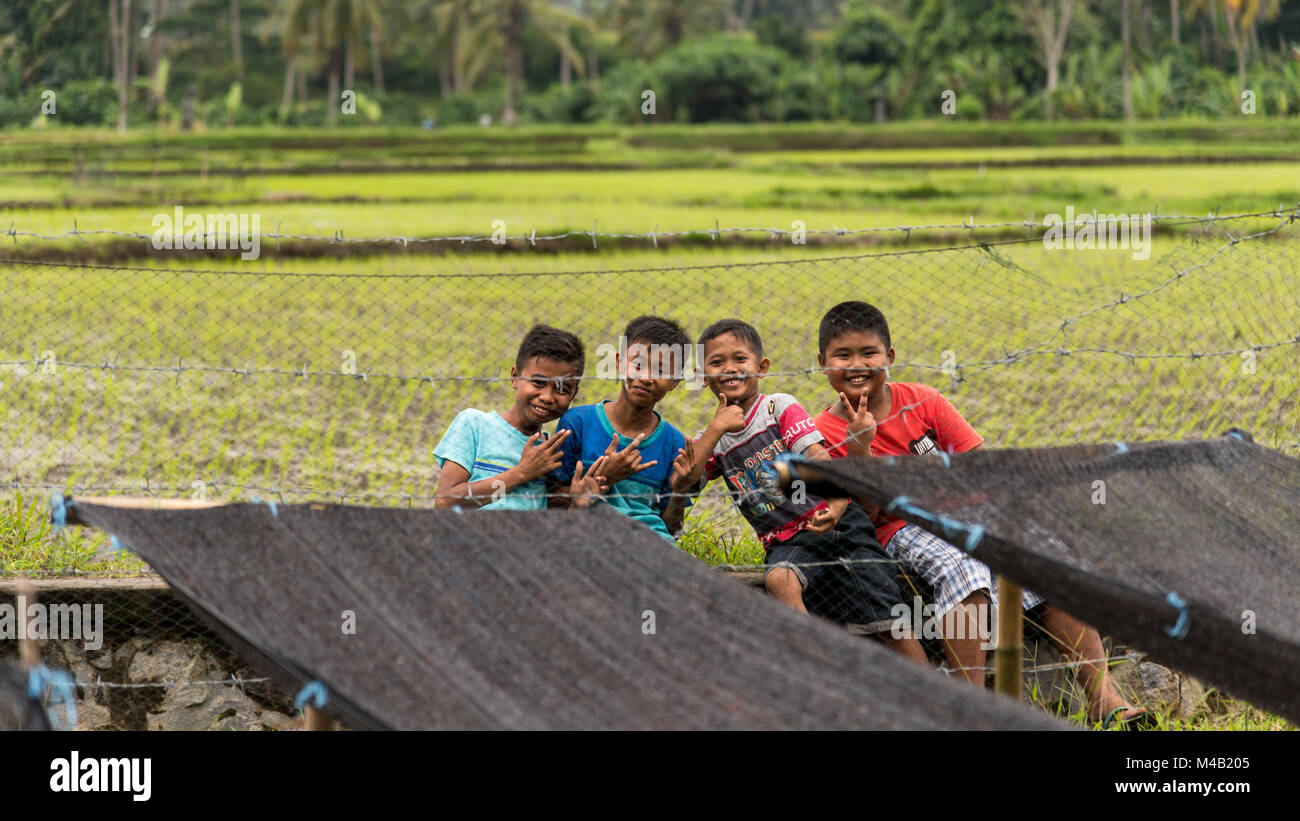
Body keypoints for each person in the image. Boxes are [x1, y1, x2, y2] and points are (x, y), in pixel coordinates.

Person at [812, 300, 1153, 728]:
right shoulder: (821, 434)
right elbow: (866, 517)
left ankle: (1104, 696)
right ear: (822, 363)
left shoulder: (924, 401)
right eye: (843, 356)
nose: (857, 365)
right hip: (903, 527)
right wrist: (861, 451)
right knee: (961, 564)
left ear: (891, 357)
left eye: (869, 353)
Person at [674, 318, 927, 663]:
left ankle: (932, 695)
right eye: (717, 363)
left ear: (761, 368)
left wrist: (838, 500)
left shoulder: (778, 408)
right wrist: (716, 428)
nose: (730, 369)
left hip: (840, 524)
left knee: (889, 622)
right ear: (703, 377)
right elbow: (688, 480)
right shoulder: (714, 440)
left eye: (739, 360)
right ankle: (814, 666)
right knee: (779, 579)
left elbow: (817, 457)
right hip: (788, 541)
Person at [549, 316, 698, 540]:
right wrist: (605, 477)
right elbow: (552, 503)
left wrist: (679, 490)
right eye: (638, 365)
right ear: (619, 363)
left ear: (675, 381)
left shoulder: (674, 444)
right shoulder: (577, 424)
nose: (646, 378)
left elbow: (672, 530)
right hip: (586, 539)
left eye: (660, 371)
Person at [434, 324, 605, 510]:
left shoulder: (551, 453)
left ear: (573, 395)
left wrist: (578, 501)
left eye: (562, 389)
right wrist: (522, 473)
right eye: (538, 382)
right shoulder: (475, 425)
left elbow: (554, 522)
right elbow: (445, 502)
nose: (547, 397)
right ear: (515, 377)